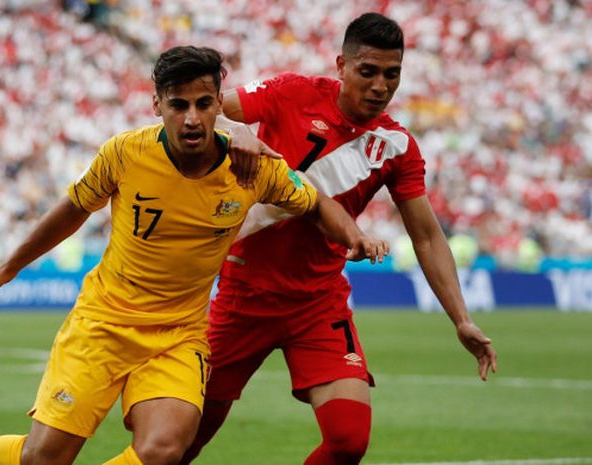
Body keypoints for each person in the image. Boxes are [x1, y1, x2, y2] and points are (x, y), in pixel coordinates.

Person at [0, 45, 388, 465]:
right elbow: (73, 209)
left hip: (178, 336)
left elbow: (314, 203)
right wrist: (9, 267)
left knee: (163, 451)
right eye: (178, 104)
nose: (192, 118)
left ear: (220, 104)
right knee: (44, 458)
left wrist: (353, 234)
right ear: (156, 105)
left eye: (203, 104)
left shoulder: (253, 168)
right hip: (103, 324)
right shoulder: (124, 153)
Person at [180, 13, 498, 465]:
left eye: (392, 74)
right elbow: (202, 109)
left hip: (318, 303)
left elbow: (427, 237)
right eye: (367, 71)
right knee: (181, 443)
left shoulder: (396, 145)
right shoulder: (293, 92)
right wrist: (238, 135)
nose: (380, 85)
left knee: (348, 441)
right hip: (242, 297)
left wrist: (461, 318)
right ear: (341, 66)